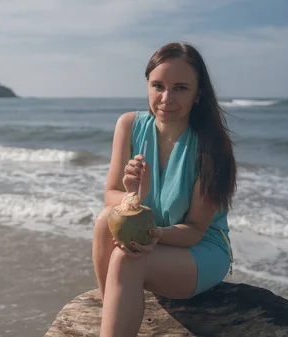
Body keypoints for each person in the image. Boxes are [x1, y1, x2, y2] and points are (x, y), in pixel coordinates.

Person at [91, 42, 237, 337]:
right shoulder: (130, 125)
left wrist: (156, 235)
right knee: (105, 219)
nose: (166, 98)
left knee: (124, 260)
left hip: (198, 248)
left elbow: (195, 229)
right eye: (158, 85)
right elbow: (110, 194)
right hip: (152, 238)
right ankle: (113, 309)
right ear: (147, 85)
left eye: (180, 88)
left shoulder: (212, 146)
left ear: (198, 94)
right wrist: (134, 194)